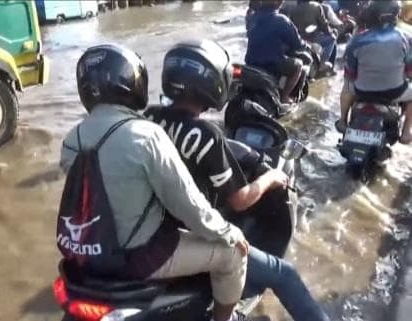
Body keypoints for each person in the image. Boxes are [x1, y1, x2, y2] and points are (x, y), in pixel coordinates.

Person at [60, 44, 251, 321]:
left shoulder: (71, 139)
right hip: (140, 256)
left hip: (89, 253)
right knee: (232, 254)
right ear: (129, 84)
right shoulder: (145, 136)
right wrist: (229, 232)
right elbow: (189, 205)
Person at [145, 40, 331, 321]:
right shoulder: (205, 135)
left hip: (147, 229)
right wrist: (271, 177)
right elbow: (240, 201)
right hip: (186, 235)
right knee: (284, 274)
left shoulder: (148, 117)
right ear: (212, 84)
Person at [336, 0, 412, 144]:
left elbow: (350, 74)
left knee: (346, 86)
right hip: (394, 93)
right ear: (396, 16)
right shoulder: (406, 39)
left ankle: (342, 122)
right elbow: (410, 73)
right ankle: (406, 132)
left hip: (362, 92)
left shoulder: (356, 40)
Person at [245, 0, 308, 104]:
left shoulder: (252, 18)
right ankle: (285, 97)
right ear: (279, 3)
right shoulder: (281, 20)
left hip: (251, 62)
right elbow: (297, 44)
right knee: (298, 65)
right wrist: (305, 45)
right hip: (271, 64)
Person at [288, 0, 338, 68]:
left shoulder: (293, 9)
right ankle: (322, 64)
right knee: (332, 39)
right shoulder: (316, 6)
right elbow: (324, 25)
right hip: (313, 37)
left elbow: (291, 25)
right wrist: (331, 32)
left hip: (300, 38)